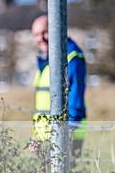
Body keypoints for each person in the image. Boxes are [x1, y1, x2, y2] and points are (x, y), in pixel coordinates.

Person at [30, 14, 87, 158]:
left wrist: (66, 134)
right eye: (36, 34)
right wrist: (37, 136)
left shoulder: (72, 57)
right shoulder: (45, 60)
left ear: (58, 29)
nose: (40, 38)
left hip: (65, 136)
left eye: (45, 32)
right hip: (45, 138)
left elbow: (75, 101)